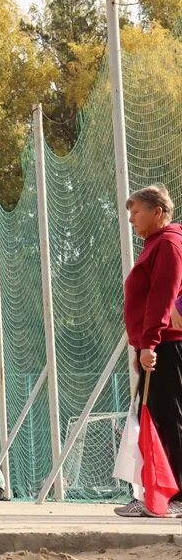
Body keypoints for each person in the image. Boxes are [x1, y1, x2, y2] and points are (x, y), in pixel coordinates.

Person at [115, 184, 182, 518]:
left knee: (167, 420)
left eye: (136, 212)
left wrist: (150, 343)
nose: (131, 220)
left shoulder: (169, 243)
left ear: (158, 212)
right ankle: (156, 494)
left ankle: (174, 497)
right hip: (154, 344)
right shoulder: (152, 244)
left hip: (166, 346)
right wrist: (140, 344)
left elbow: (161, 296)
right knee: (152, 420)